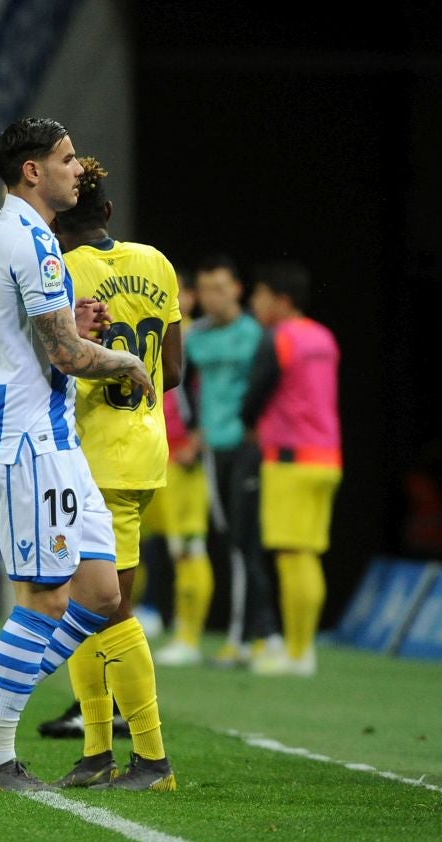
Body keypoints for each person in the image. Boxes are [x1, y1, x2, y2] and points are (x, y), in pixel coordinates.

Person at [0, 157, 182, 789]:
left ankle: (118, 751)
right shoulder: (154, 262)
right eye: (61, 157)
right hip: (134, 447)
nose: (67, 168)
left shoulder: (37, 255)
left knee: (90, 603)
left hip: (75, 448)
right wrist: (114, 359)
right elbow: (170, 370)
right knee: (97, 599)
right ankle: (94, 752)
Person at [239, 261, 342, 676]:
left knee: (291, 555)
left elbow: (255, 394)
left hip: (289, 458)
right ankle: (303, 650)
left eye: (260, 295)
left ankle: (298, 654)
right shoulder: (324, 337)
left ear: (281, 300)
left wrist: (249, 423)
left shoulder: (278, 338)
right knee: (308, 554)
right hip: (327, 458)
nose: (254, 303)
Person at [186, 256, 277, 665]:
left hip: (247, 447)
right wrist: (193, 430)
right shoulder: (195, 337)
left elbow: (270, 385)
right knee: (232, 541)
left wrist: (259, 427)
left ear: (237, 289)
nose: (213, 297)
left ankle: (247, 638)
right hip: (212, 451)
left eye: (220, 288)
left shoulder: (256, 334)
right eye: (206, 289)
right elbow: (179, 384)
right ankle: (259, 634)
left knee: (244, 543)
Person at [150, 269, 215, 666]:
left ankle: (189, 637)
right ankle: (148, 615)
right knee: (142, 544)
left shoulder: (198, 340)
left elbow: (213, 394)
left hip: (186, 456)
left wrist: (198, 439)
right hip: (156, 455)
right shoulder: (159, 331)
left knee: (188, 547)